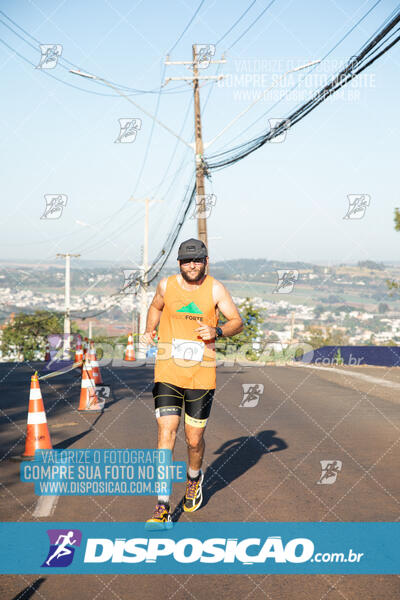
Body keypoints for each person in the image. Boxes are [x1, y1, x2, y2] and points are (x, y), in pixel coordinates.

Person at [141, 238, 243, 527]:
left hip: (201, 373)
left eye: (197, 260)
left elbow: (237, 321)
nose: (192, 265)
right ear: (179, 264)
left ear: (206, 262)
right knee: (166, 432)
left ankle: (194, 479)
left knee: (194, 439)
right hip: (168, 371)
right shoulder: (166, 286)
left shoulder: (215, 289)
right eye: (187, 261)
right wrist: (149, 330)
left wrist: (218, 330)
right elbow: (155, 307)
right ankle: (162, 505)